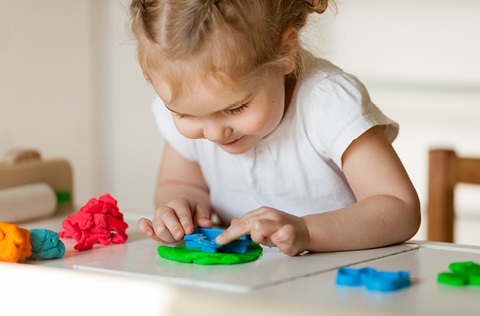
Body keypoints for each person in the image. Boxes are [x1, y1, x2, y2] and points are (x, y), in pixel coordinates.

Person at [130, 0, 421, 256]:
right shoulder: (193, 97)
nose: (214, 134)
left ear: (286, 52)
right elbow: (180, 184)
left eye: (235, 108)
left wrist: (306, 230)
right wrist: (180, 210)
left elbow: (399, 208)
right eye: (185, 114)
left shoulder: (326, 102)